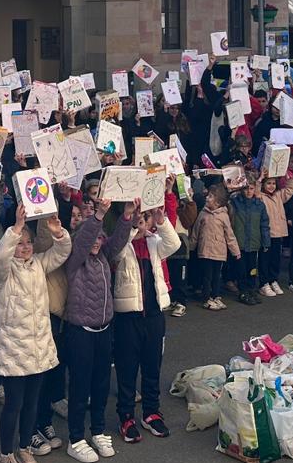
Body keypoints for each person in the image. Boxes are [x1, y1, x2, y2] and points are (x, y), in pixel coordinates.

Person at [0, 201, 71, 463]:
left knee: (33, 402)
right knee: (14, 403)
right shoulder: (4, 271)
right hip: (14, 348)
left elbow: (62, 251)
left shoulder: (39, 263)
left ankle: (25, 447)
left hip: (39, 347)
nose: (24, 247)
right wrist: (16, 227)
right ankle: (5, 454)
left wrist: (57, 230)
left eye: (27, 243)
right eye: (20, 243)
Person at [61, 198, 130, 463]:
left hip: (104, 329)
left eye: (100, 238)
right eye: (93, 238)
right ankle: (76, 438)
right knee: (80, 384)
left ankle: (98, 430)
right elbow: (84, 238)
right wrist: (99, 213)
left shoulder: (103, 258)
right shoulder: (75, 261)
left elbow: (118, 241)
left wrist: (126, 216)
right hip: (80, 331)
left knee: (101, 383)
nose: (97, 242)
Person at [111, 200, 178, 444]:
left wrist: (161, 220)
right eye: (137, 218)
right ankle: (126, 415)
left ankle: (151, 412)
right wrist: (130, 227)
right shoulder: (122, 244)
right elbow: (114, 251)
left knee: (153, 367)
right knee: (127, 368)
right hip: (128, 316)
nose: (142, 222)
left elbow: (175, 243)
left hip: (154, 315)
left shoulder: (154, 243)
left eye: (144, 218)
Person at [190, 182, 240, 310]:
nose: (207, 198)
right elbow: (196, 231)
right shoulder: (203, 214)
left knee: (216, 276)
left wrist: (235, 251)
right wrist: (191, 246)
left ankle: (216, 295)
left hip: (219, 252)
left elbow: (230, 235)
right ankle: (207, 298)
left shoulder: (224, 216)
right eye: (208, 195)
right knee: (207, 276)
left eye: (211, 196)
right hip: (205, 250)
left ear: (217, 203)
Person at [228, 178, 269, 305]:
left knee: (252, 268)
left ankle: (251, 289)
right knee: (241, 268)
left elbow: (264, 224)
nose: (248, 191)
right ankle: (243, 291)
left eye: (251, 188)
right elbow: (226, 202)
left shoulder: (260, 205)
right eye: (246, 188)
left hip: (254, 242)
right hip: (240, 242)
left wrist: (266, 241)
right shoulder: (235, 202)